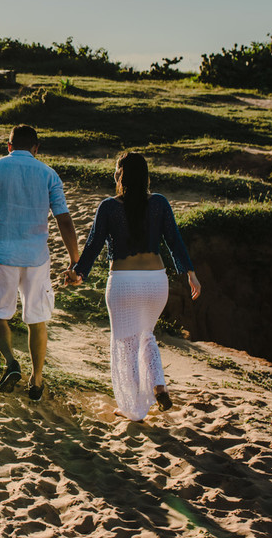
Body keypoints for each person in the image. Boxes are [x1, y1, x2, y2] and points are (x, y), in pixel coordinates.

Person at [64, 151, 202, 421]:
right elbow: (175, 240)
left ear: (120, 175)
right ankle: (159, 386)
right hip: (155, 284)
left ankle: (133, 409)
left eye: (117, 169)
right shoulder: (160, 203)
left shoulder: (109, 206)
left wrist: (79, 273)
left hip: (124, 285)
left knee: (126, 343)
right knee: (146, 334)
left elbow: (93, 245)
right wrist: (190, 273)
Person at [0, 124, 81, 401]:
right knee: (37, 320)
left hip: (2, 255)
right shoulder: (49, 174)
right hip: (36, 258)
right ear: (36, 148)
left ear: (9, 146)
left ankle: (11, 362)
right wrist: (75, 260)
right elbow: (64, 219)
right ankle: (36, 380)